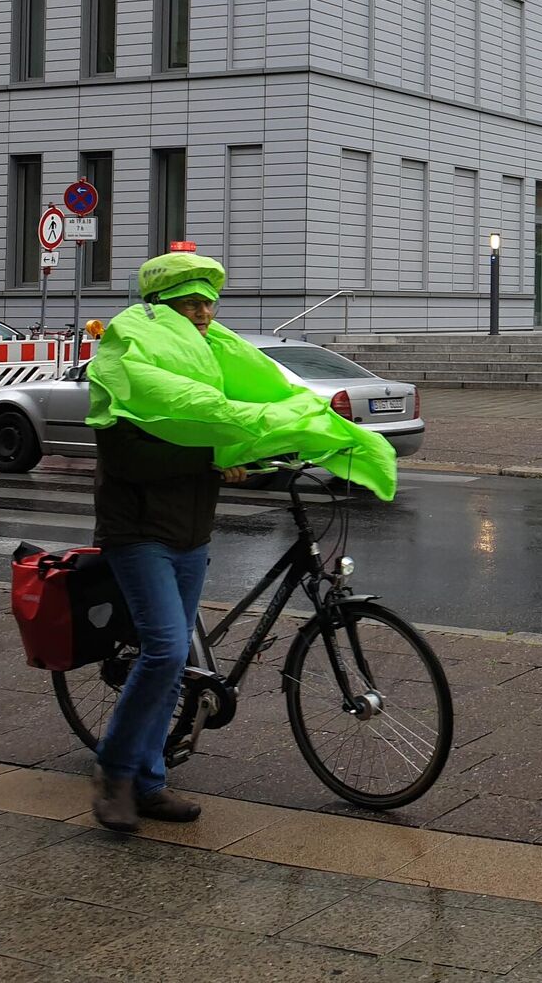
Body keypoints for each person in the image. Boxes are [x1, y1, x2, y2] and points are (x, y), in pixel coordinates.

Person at [83, 250, 397, 833]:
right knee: (165, 653)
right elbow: (131, 456)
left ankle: (149, 782)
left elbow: (232, 415)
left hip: (189, 534)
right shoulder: (125, 362)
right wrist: (215, 458)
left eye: (209, 302)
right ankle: (114, 771)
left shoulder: (208, 357)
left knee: (172, 659)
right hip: (138, 533)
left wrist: (262, 454)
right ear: (165, 309)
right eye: (192, 303)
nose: (205, 313)